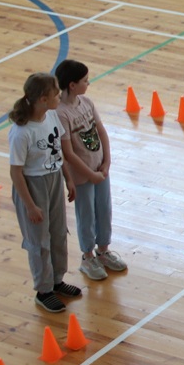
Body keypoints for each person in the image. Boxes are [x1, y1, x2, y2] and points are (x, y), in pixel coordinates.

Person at [8, 72, 81, 313]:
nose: (59, 96)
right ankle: (43, 289)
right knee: (39, 241)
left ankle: (57, 280)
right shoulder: (21, 132)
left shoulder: (51, 116)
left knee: (58, 232)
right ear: (42, 99)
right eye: (55, 94)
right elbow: (16, 172)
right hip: (33, 186)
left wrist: (68, 179)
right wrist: (30, 205)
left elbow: (58, 152)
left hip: (53, 181)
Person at [55, 59, 127, 282]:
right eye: (85, 80)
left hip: (100, 170)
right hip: (83, 176)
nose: (89, 83)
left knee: (104, 209)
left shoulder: (86, 102)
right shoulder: (60, 113)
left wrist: (106, 162)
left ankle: (103, 251)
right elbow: (68, 153)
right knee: (86, 215)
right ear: (72, 85)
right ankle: (87, 257)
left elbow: (101, 131)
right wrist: (89, 174)